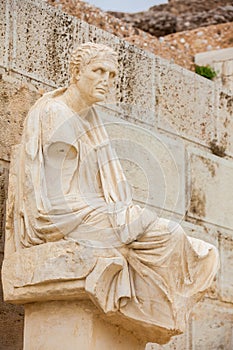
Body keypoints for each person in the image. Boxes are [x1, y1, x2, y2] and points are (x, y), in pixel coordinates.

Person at [10, 42, 219, 339]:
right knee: (161, 232)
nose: (106, 81)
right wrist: (116, 214)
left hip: (85, 208)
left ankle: (161, 301)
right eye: (98, 71)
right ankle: (161, 302)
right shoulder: (57, 113)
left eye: (112, 75)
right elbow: (58, 195)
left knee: (156, 229)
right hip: (59, 215)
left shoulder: (89, 118)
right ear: (76, 72)